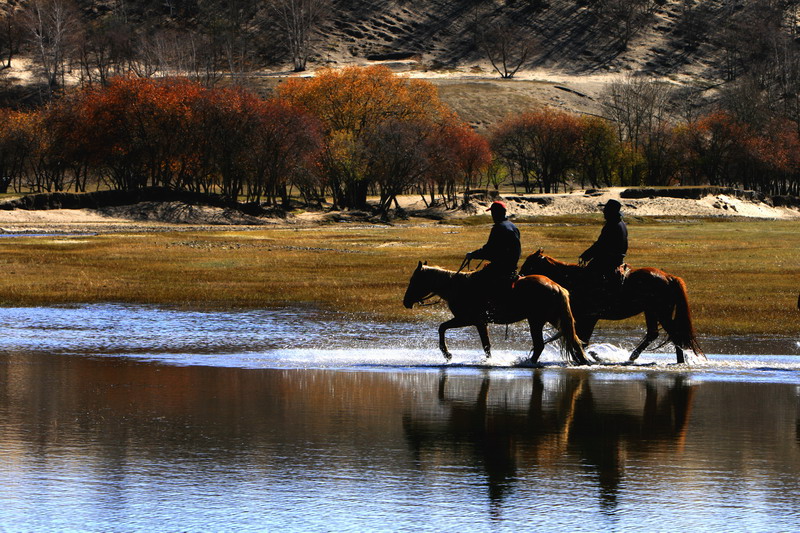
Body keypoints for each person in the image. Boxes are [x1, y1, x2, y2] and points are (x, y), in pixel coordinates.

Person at [465, 201, 521, 318]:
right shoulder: (512, 226)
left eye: (493, 213)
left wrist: (472, 255)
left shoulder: (498, 228)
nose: (492, 216)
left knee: (476, 281)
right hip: (512, 266)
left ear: (496, 213)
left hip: (500, 266)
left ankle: (483, 312)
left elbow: (489, 251)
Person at [579, 199, 628, 308]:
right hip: (618, 258)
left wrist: (586, 255)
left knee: (587, 276)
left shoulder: (611, 226)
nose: (604, 213)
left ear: (611, 212)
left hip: (609, 259)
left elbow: (601, 244)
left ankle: (593, 304)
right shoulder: (621, 224)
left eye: (606, 211)